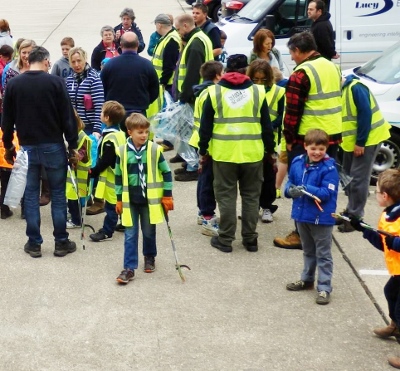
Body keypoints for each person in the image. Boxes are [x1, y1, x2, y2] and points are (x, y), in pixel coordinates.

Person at [1, 46, 78, 258]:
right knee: (59, 195)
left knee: (31, 195)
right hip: (53, 145)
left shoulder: (15, 85)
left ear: (28, 61)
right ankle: (61, 242)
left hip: (27, 148)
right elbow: (67, 118)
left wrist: (8, 146)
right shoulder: (55, 83)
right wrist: (73, 145)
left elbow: (7, 120)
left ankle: (34, 243)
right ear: (45, 61)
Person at [198, 54, 275, 253]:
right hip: (253, 154)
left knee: (226, 197)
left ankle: (225, 240)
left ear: (224, 72)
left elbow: (205, 127)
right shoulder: (258, 92)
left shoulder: (214, 93)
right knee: (251, 197)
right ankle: (250, 240)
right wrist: (270, 150)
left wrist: (203, 150)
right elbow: (266, 126)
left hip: (224, 155)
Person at [273, 31, 342, 249]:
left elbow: (292, 111)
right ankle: (321, 228)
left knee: (302, 186)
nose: (291, 58)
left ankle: (301, 234)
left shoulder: (301, 74)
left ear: (298, 50)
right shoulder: (331, 66)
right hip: (331, 137)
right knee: (325, 185)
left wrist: (289, 139)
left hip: (307, 140)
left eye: (292, 53)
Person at [349, 169, 400, 368]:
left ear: (385, 196)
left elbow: (392, 243)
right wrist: (363, 228)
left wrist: (395, 243)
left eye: (376, 191)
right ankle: (395, 326)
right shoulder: (388, 214)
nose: (375, 193)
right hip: (397, 271)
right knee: (390, 292)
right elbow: (382, 243)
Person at [115, 113, 173, 284]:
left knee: (148, 232)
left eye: (146, 132)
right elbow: (118, 176)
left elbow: (167, 173)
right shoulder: (122, 152)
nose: (143, 135)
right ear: (129, 132)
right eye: (140, 132)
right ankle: (129, 268)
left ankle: (149, 257)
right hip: (130, 201)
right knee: (130, 235)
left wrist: (167, 196)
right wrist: (119, 199)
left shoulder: (155, 150)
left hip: (149, 201)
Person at [285, 129, 339, 305]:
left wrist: (304, 188)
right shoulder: (297, 162)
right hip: (302, 216)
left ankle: (324, 288)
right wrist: (289, 191)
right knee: (308, 251)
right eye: (313, 148)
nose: (317, 152)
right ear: (305, 146)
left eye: (321, 149)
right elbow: (290, 183)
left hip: (321, 218)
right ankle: (307, 279)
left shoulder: (329, 168)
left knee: (323, 254)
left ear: (326, 149)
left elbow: (325, 194)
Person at [336, 74, 391, 232]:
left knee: (358, 179)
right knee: (348, 178)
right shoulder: (343, 90)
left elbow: (365, 114)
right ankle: (350, 210)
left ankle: (355, 217)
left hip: (367, 140)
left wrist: (360, 142)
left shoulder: (356, 88)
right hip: (351, 142)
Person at [171, 14, 214, 178]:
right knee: (191, 131)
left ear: (186, 26)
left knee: (190, 131)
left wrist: (184, 96)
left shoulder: (195, 43)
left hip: (193, 96)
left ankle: (193, 167)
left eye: (178, 28)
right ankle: (190, 163)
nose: (177, 32)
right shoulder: (199, 38)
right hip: (198, 93)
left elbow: (192, 74)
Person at [187, 60, 223, 236]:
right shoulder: (211, 93)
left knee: (203, 178)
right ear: (218, 75)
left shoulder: (202, 92)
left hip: (199, 139)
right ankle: (207, 216)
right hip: (206, 142)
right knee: (208, 180)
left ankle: (203, 212)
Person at [247, 59, 284, 223]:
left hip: (270, 139)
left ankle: (267, 206)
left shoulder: (279, 92)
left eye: (263, 79)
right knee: (251, 177)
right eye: (255, 80)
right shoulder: (247, 91)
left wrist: (267, 127)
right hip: (252, 139)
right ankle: (252, 207)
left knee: (269, 176)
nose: (259, 83)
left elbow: (282, 115)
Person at [101, 32, 159, 134]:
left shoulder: (109, 65)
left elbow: (102, 88)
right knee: (138, 146)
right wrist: (144, 101)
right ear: (137, 45)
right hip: (138, 114)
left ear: (121, 45)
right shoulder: (147, 65)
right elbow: (154, 90)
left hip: (115, 116)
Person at [89, 101, 126, 242]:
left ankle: (106, 231)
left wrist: (94, 171)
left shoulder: (110, 138)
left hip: (113, 178)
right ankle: (126, 223)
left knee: (111, 207)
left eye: (102, 112)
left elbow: (106, 160)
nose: (100, 113)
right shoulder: (120, 133)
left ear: (107, 118)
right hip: (121, 176)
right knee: (121, 201)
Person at [147, 14, 180, 120]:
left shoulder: (171, 40)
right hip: (165, 83)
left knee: (167, 115)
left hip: (167, 84)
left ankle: (167, 137)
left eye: (156, 25)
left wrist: (163, 82)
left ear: (160, 25)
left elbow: (169, 65)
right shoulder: (169, 37)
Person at [66, 110, 91, 229]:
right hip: (73, 173)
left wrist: (72, 158)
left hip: (80, 173)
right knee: (72, 195)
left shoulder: (82, 137)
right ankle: (74, 215)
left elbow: (82, 154)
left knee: (74, 196)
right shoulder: (74, 135)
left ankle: (76, 220)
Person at [0, 127, 19, 219]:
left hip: (2, 163)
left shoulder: (0, 132)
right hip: (12, 164)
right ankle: (25, 212)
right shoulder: (18, 133)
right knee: (23, 188)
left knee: (4, 187)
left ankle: (4, 211)